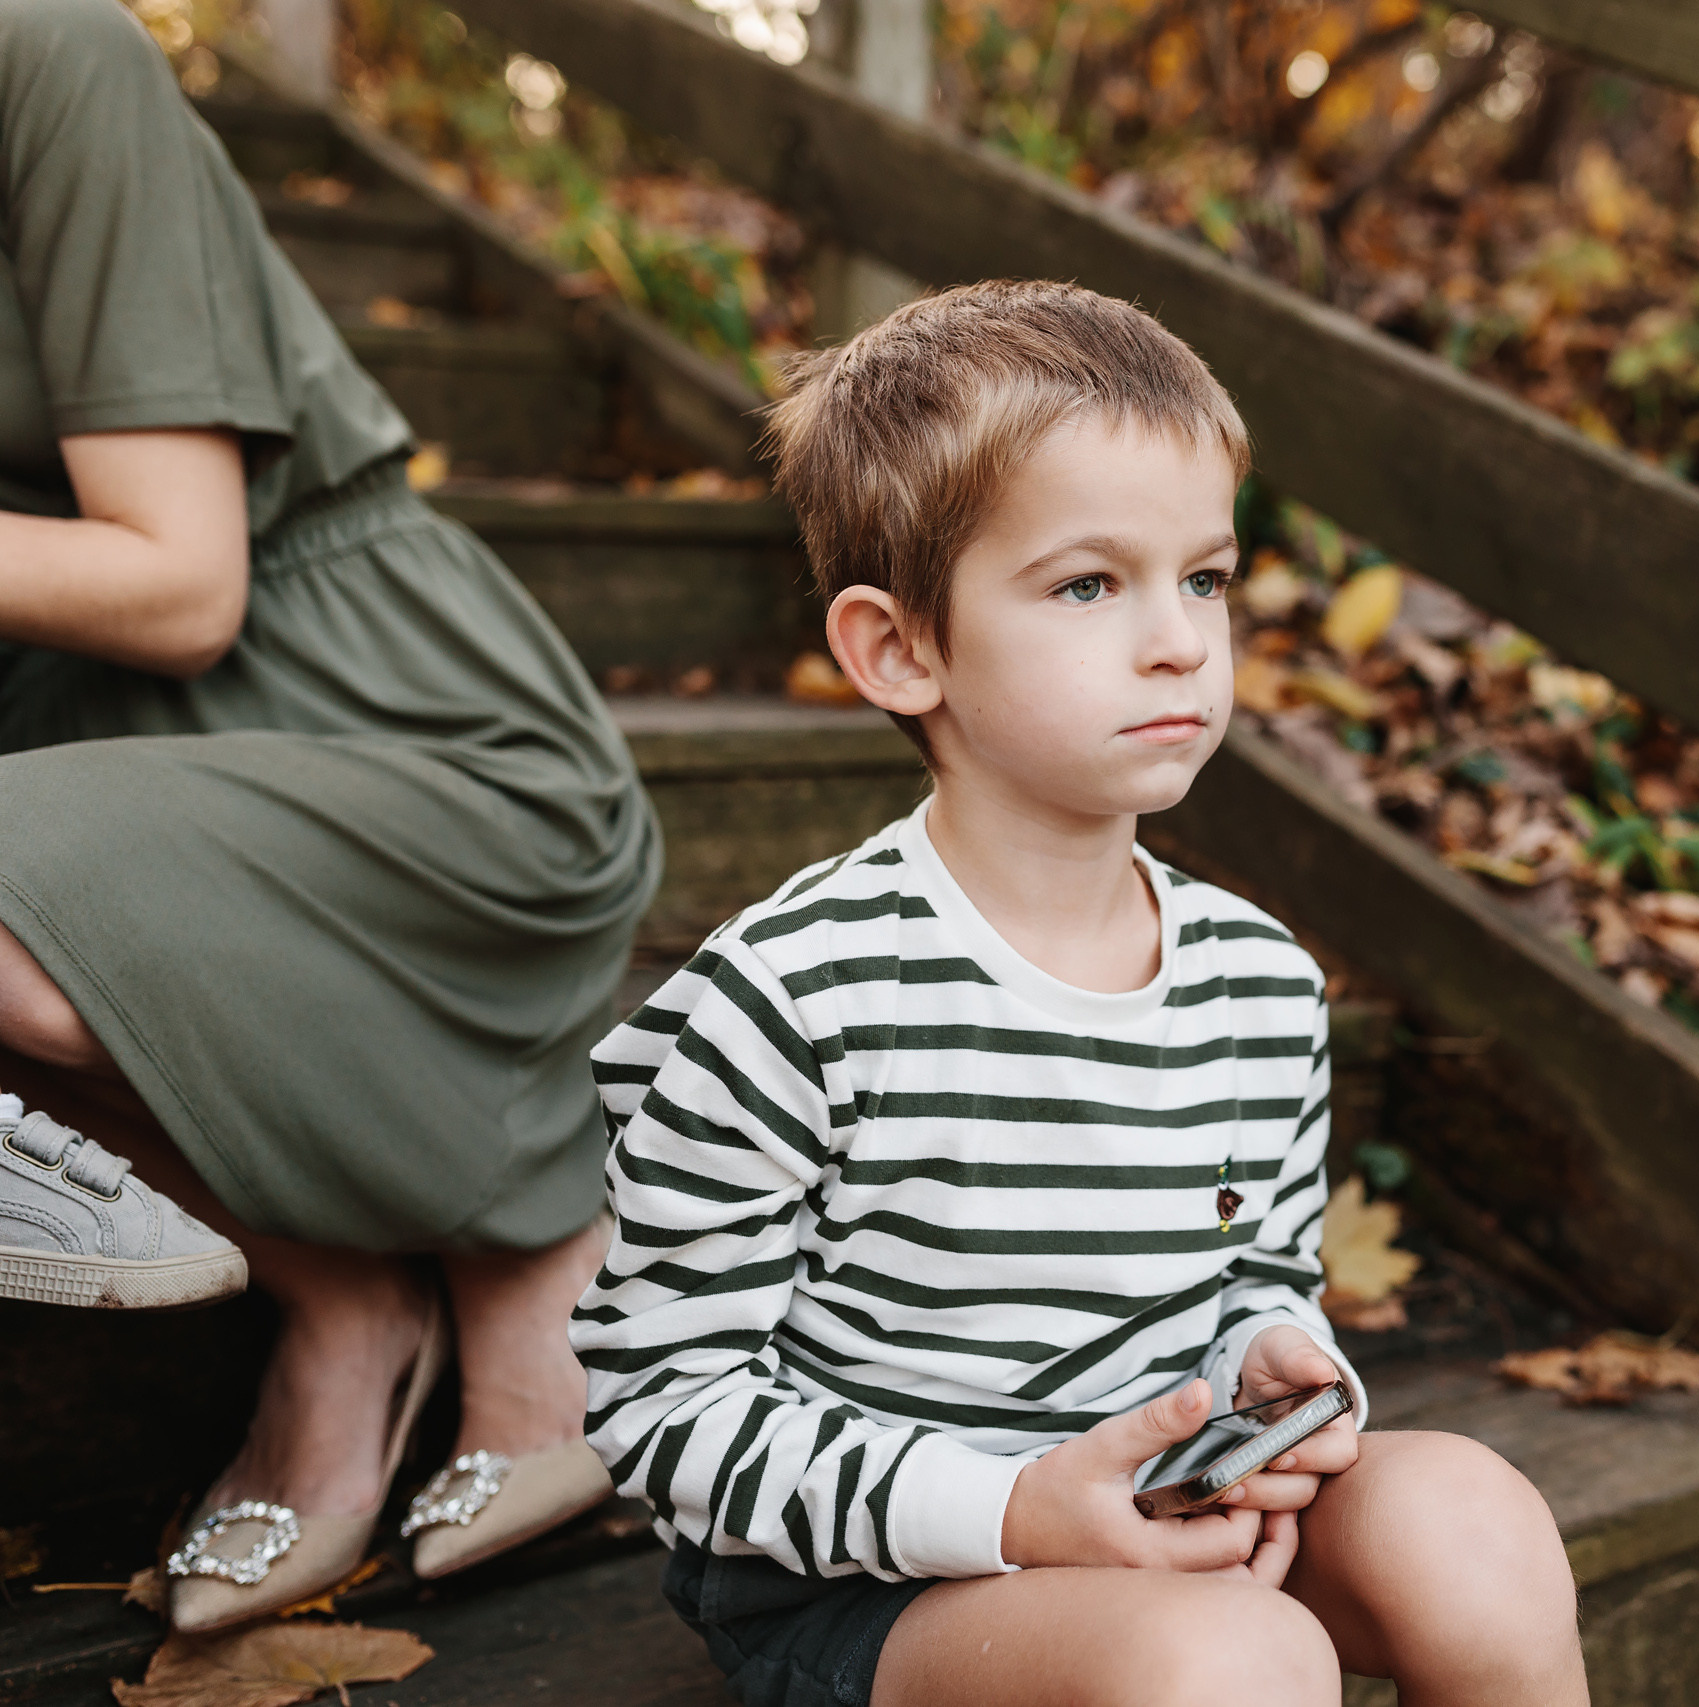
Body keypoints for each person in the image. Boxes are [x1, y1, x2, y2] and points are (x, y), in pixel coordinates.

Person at [574, 280, 1587, 1707]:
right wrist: (1014, 1513)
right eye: (1089, 585)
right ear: (901, 649)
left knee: (1474, 1523)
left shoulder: (1255, 982)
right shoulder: (790, 999)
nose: (1179, 638)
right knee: (1237, 1665)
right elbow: (662, 1411)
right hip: (882, 1584)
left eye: (1207, 577)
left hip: (1161, 1514)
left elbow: (1251, 1281)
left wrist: (1279, 1374)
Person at [0, 0, 659, 1627]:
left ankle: (533, 1238)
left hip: (401, 732)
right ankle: (349, 1297)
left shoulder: (47, 56)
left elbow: (179, 581)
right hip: (98, 749)